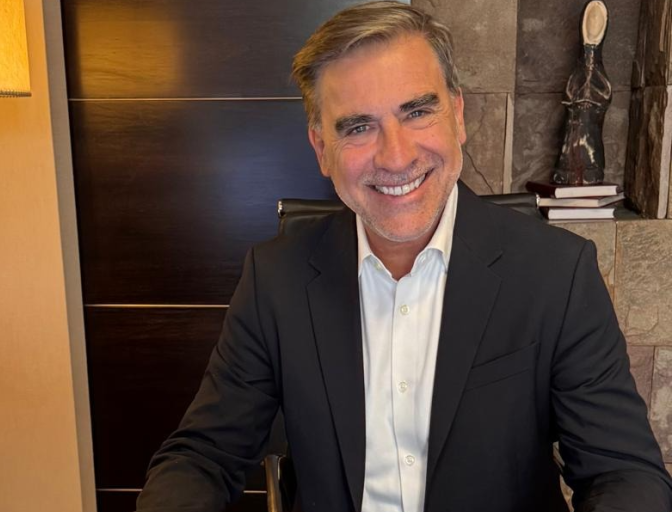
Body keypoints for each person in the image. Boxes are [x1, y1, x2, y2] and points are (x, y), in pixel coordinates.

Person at [135, 2, 672, 511]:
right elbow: (202, 457)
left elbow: (623, 473)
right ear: (321, 149)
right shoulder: (275, 278)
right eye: (358, 126)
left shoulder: (557, 274)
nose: (395, 156)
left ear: (457, 116)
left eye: (417, 111)